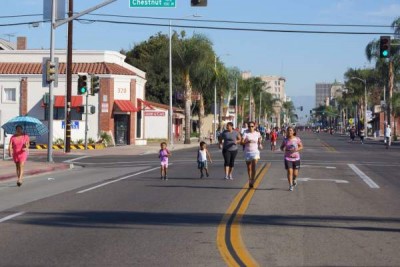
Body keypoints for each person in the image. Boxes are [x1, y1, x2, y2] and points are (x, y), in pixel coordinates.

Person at [280, 126, 303, 192]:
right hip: (288, 158)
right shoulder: (285, 139)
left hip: (296, 158)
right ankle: (290, 185)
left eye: (290, 130)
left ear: (293, 132)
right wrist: (283, 149)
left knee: (295, 174)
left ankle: (294, 179)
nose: (289, 132)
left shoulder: (297, 139)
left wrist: (296, 149)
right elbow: (282, 147)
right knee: (290, 171)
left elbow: (301, 146)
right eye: (288, 130)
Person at [241, 121, 263, 188]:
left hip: (255, 152)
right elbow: (241, 142)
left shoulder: (257, 133)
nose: (250, 127)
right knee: (249, 167)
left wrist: (260, 144)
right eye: (249, 126)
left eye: (252, 126)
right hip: (247, 152)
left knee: (254, 166)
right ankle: (250, 178)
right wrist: (247, 141)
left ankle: (252, 180)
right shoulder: (245, 133)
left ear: (254, 127)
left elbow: (260, 139)